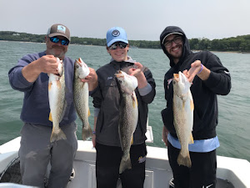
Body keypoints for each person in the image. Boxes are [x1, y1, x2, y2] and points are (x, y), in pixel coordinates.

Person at [159, 26, 231, 188]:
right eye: (167, 42)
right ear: (164, 49)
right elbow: (171, 104)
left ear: (184, 40)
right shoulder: (169, 75)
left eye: (176, 39)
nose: (173, 44)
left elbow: (225, 86)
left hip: (202, 147)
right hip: (174, 144)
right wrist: (166, 127)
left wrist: (202, 71)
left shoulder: (204, 58)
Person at [8, 23, 78, 188]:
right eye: (54, 39)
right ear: (46, 39)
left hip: (67, 128)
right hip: (35, 130)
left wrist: (92, 79)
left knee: (63, 172)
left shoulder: (74, 66)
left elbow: (89, 92)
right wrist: (38, 67)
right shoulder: (32, 60)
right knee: (31, 177)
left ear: (68, 45)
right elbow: (15, 80)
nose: (58, 44)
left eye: (64, 41)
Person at [89, 26, 156, 188]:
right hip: (106, 142)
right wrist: (95, 132)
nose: (118, 49)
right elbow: (97, 105)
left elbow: (149, 97)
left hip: (135, 141)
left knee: (134, 184)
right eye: (113, 46)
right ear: (107, 49)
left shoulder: (143, 70)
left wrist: (140, 77)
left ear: (128, 46)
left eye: (121, 44)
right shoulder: (102, 73)